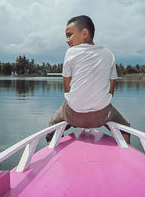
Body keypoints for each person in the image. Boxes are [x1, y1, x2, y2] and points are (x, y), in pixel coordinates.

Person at [46, 15, 130, 144]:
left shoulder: (70, 52)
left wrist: (76, 102)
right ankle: (126, 154)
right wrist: (101, 103)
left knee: (52, 126)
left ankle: (54, 150)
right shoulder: (108, 53)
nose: (67, 40)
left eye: (69, 35)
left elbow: (67, 87)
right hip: (101, 114)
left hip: (74, 113)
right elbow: (112, 85)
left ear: (85, 33)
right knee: (125, 128)